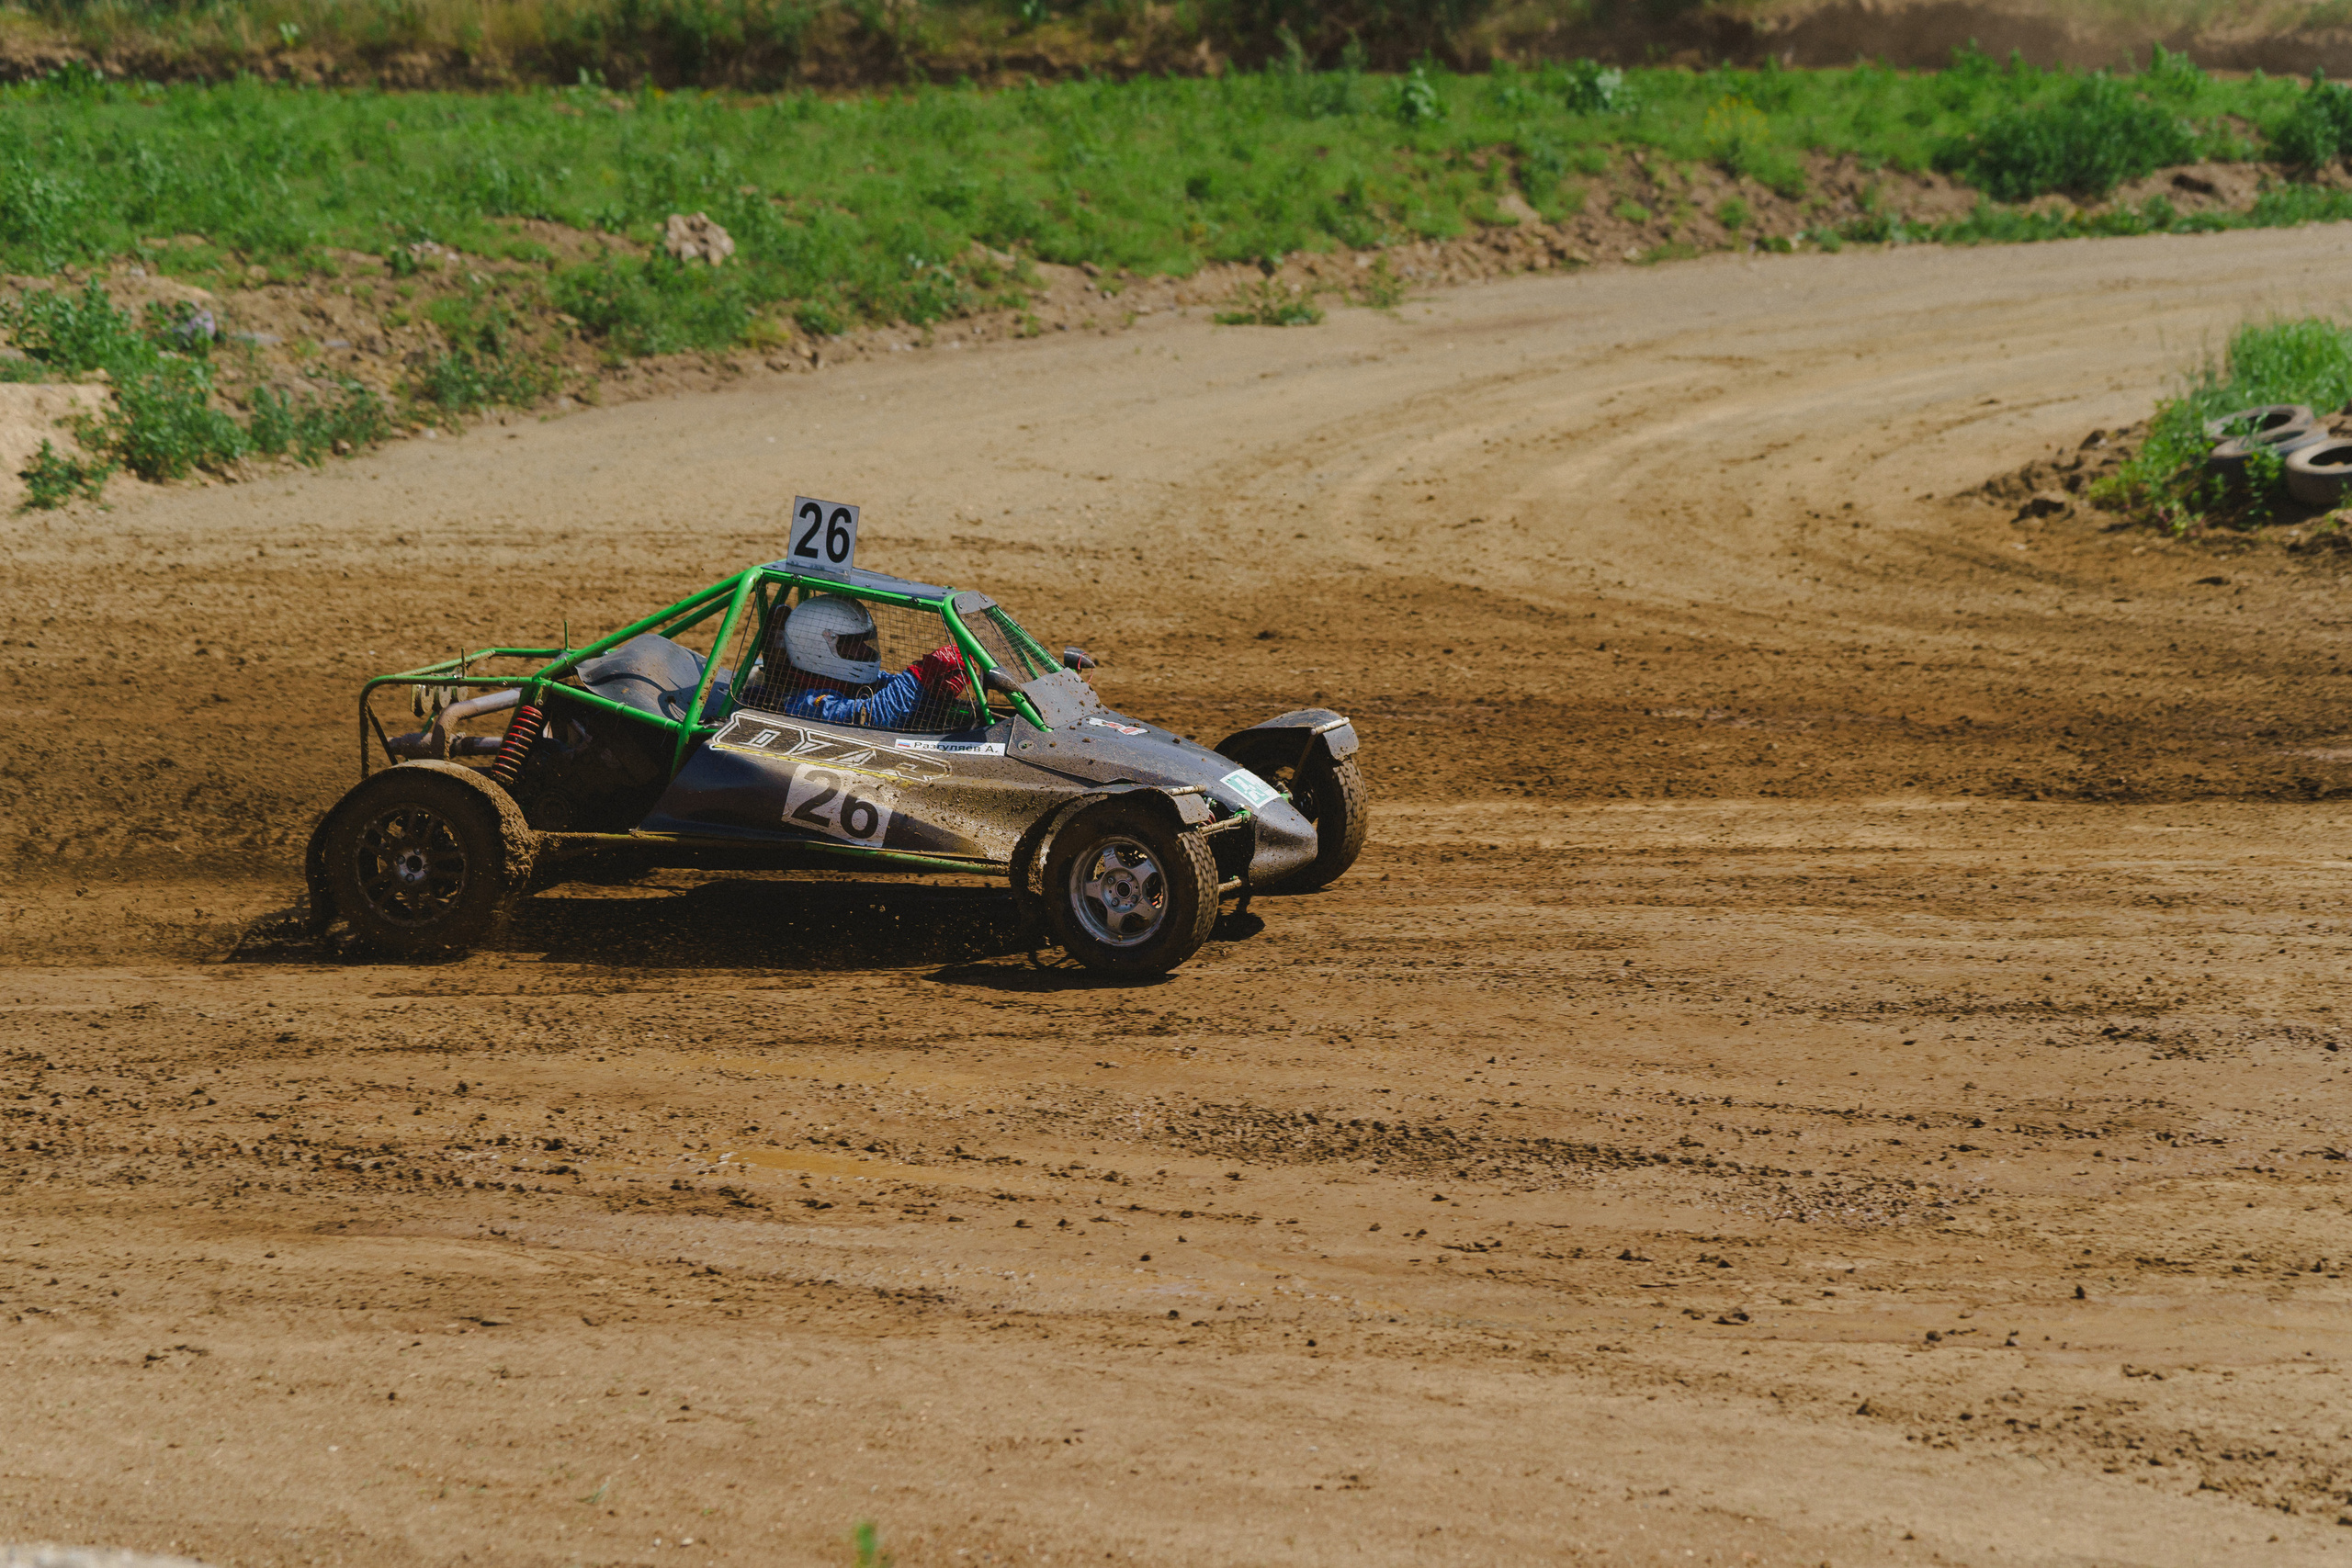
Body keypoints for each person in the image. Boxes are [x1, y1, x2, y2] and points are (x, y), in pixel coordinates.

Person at [774, 592, 971, 729]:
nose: (865, 650)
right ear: (815, 647)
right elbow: (868, 716)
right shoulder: (803, 702)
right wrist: (922, 673)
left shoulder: (849, 680)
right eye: (851, 643)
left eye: (863, 641)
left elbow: (889, 686)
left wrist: (934, 691)